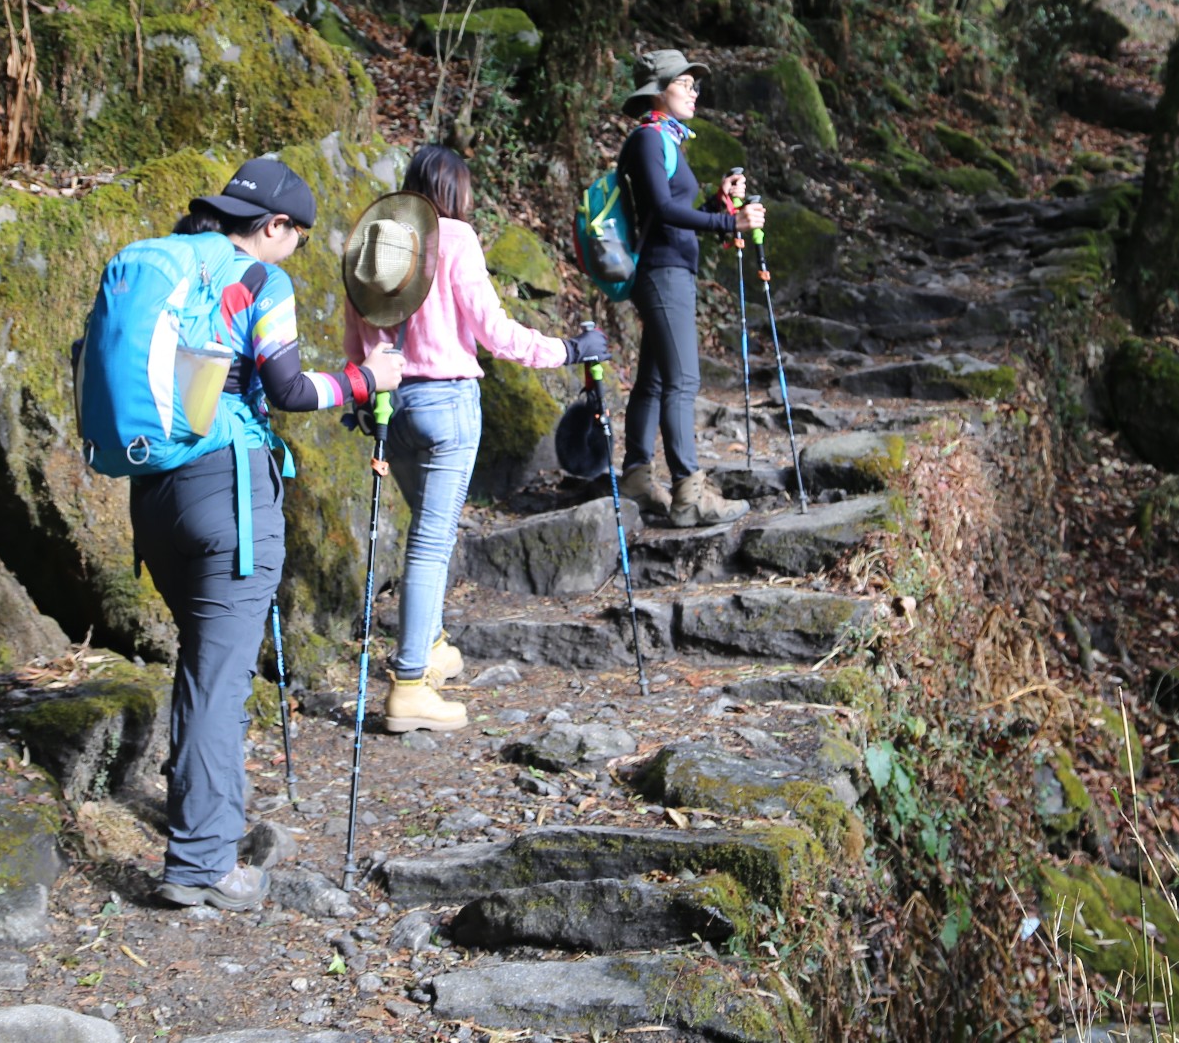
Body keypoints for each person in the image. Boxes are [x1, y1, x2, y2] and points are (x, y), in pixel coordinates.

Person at [132, 157, 404, 912]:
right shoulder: (260, 280)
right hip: (228, 492)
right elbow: (287, 389)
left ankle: (213, 817)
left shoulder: (169, 260)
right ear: (274, 227)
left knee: (202, 667)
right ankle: (202, 863)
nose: (295, 253)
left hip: (153, 490)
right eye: (298, 238)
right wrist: (364, 381)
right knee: (217, 681)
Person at [344, 145, 607, 732]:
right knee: (431, 544)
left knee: (423, 535)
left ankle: (432, 646)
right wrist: (567, 350)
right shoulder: (455, 239)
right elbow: (493, 330)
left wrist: (365, 395)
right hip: (447, 403)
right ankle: (410, 684)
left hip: (392, 405)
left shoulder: (375, 238)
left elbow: (356, 338)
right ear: (455, 192)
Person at [616, 49, 765, 526]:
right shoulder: (647, 139)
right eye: (686, 83)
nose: (695, 91)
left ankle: (637, 478)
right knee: (683, 382)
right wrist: (728, 219)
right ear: (660, 89)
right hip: (663, 272)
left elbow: (676, 210)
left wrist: (717, 202)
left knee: (656, 379)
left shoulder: (666, 140)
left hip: (668, 268)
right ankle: (689, 493)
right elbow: (660, 210)